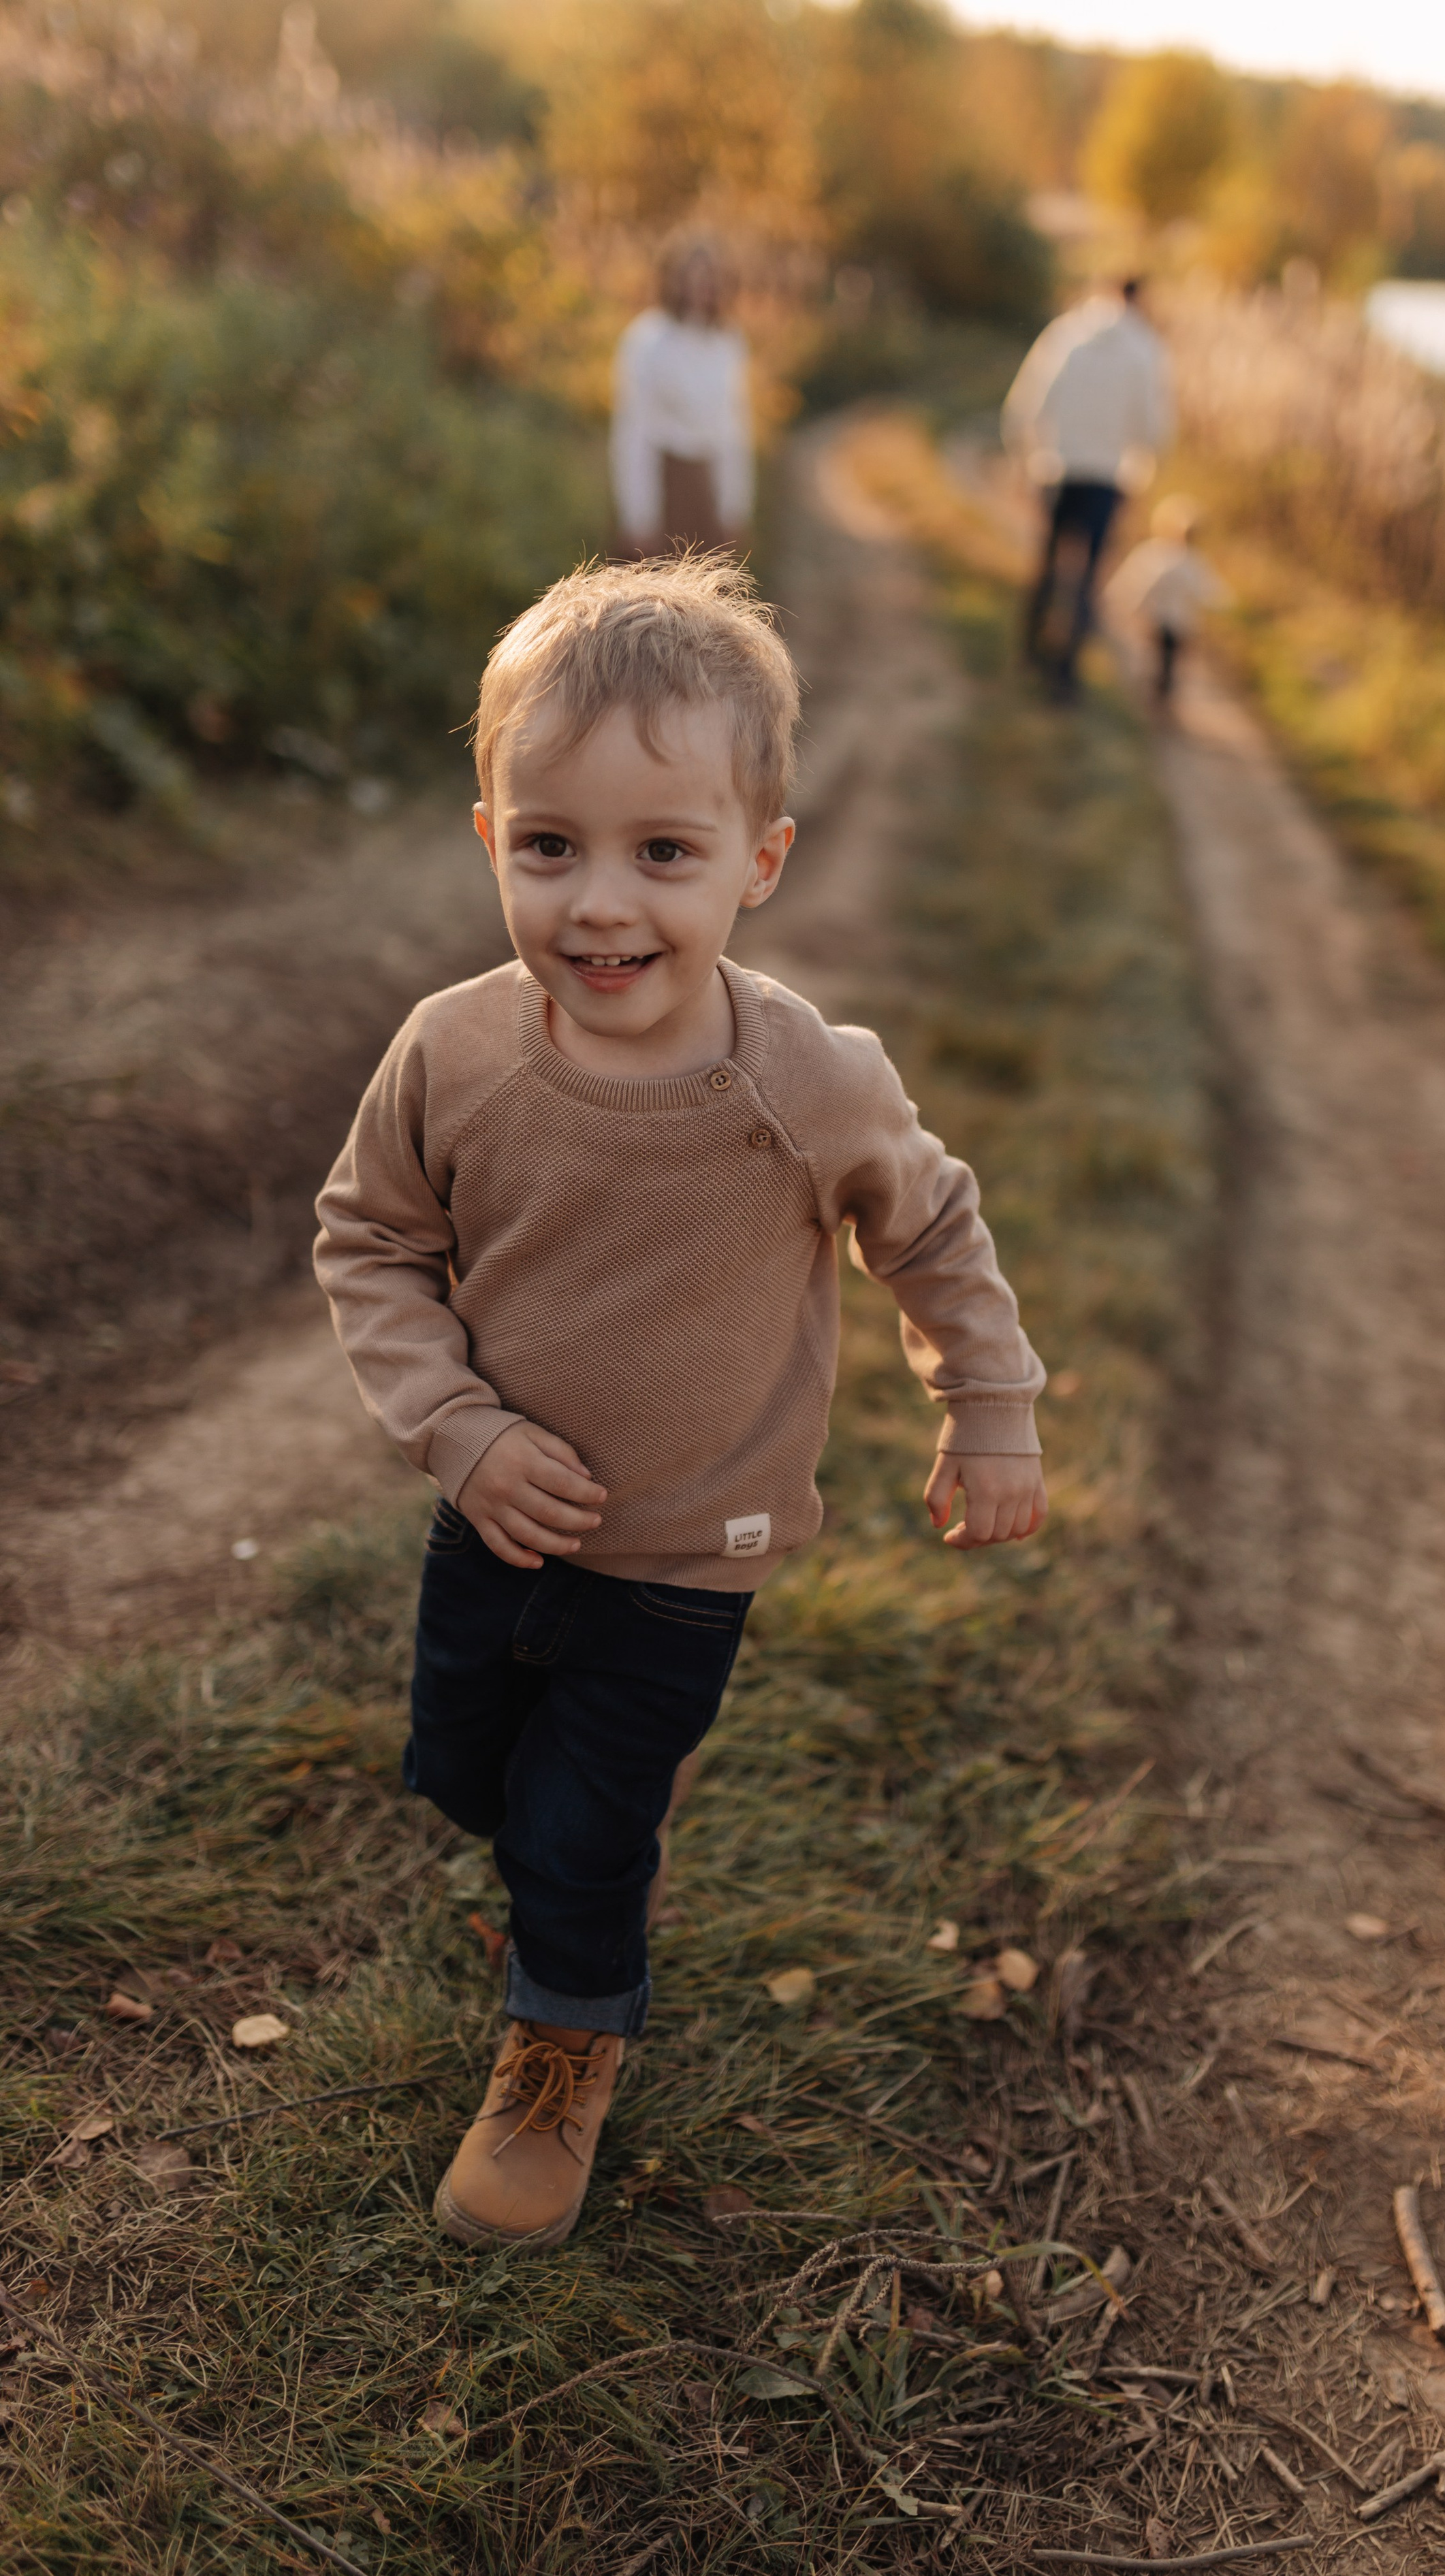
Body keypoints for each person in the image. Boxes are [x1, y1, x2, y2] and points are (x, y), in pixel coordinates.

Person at [313, 557, 1048, 2255]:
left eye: (664, 852)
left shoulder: (805, 1081)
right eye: (552, 845)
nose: (599, 903)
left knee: (577, 1829)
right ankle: (575, 1857)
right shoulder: (450, 1054)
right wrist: (460, 1430)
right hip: (498, 1512)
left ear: (757, 864)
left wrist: (988, 1404)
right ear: (490, 837)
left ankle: (564, 2039)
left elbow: (930, 1229)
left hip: (686, 1555)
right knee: (466, 1771)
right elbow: (370, 1244)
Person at [1002, 278, 1174, 701]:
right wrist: (1142, 463)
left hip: (1056, 467)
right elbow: (1153, 429)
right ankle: (1064, 676)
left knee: (1048, 559)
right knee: (1087, 573)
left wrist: (1023, 456)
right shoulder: (1145, 347)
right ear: (1138, 298)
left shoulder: (1065, 333)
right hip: (1107, 475)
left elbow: (1030, 401)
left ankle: (1029, 651)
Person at [610, 234, 753, 558]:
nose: (703, 286)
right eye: (694, 275)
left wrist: (735, 506)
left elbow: (734, 429)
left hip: (708, 490)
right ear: (674, 279)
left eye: (712, 276)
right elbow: (634, 432)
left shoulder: (728, 342)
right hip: (663, 486)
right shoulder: (647, 340)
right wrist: (639, 515)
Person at [1105, 496, 1228, 701]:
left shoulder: (1193, 560)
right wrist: (1123, 600)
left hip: (1178, 621)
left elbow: (1209, 590)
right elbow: (1136, 579)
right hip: (1159, 617)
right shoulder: (1158, 554)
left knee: (1167, 658)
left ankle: (1160, 692)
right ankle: (1152, 692)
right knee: (1156, 654)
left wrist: (1224, 605)